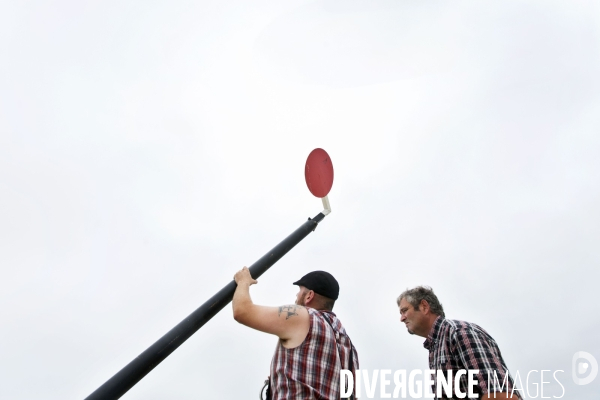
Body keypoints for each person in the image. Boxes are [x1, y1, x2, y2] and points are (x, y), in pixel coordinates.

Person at [233, 267, 358, 399]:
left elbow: (242, 311)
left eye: (299, 291)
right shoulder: (349, 348)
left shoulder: (303, 316)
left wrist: (243, 281)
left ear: (309, 295)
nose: (296, 296)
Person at [397, 286, 521, 400]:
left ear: (424, 306)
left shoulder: (459, 332)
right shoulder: (436, 347)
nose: (402, 318)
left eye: (405, 310)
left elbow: (500, 395)